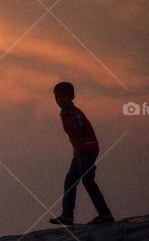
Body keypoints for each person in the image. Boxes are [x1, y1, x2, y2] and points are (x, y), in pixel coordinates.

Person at [48, 81, 114, 226]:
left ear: (71, 96)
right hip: (84, 150)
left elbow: (78, 136)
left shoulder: (74, 114)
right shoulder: (65, 113)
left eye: (62, 97)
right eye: (57, 97)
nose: (59, 100)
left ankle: (69, 215)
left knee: (74, 181)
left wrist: (77, 158)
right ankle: (103, 214)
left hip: (86, 150)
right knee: (85, 181)